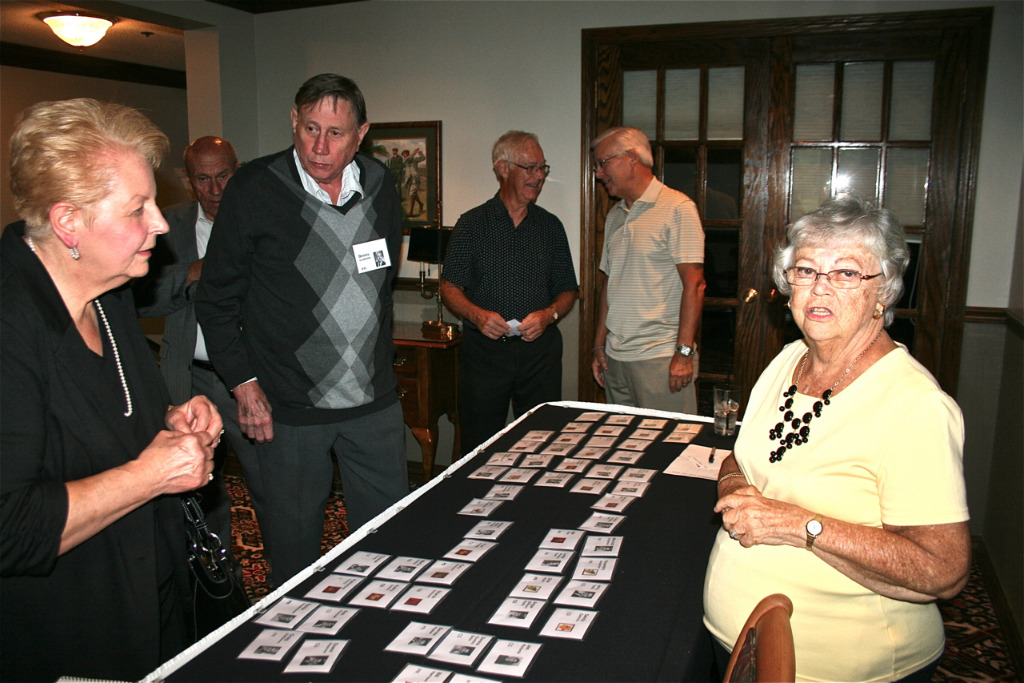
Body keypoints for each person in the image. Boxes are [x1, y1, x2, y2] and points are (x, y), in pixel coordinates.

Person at [703, 193, 970, 682]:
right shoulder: (788, 360)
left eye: (847, 273)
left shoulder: (915, 406)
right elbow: (740, 460)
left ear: (883, 292)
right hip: (740, 645)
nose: (819, 289)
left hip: (840, 666)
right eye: (805, 271)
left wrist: (801, 525)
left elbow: (943, 570)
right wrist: (732, 489)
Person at [1, 98, 222, 681]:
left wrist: (176, 418)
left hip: (153, 596)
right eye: (137, 209)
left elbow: (115, 419)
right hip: (66, 634)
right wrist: (152, 473)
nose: (160, 223)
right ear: (69, 221)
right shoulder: (9, 322)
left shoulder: (112, 290)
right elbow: (10, 527)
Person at [195, 74, 408, 584]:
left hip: (373, 404)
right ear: (294, 120)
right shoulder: (255, 187)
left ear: (361, 134)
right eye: (310, 127)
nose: (319, 146)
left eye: (336, 133)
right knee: (293, 554)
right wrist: (244, 386)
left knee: (390, 543)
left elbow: (380, 285)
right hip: (287, 410)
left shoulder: (381, 185)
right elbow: (216, 298)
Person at [134, 136, 258, 546]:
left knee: (272, 486)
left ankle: (285, 582)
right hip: (189, 379)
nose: (215, 189)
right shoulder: (165, 227)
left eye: (223, 175)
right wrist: (194, 272)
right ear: (189, 181)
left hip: (254, 379)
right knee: (199, 490)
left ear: (237, 171)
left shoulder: (261, 219)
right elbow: (142, 301)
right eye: (203, 179)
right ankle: (213, 586)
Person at [441, 131, 578, 455]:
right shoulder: (472, 224)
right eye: (529, 168)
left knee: (543, 444)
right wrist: (477, 315)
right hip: (484, 355)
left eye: (542, 168)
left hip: (539, 354)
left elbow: (568, 290)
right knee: (479, 445)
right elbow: (449, 287)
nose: (539, 176)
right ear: (503, 168)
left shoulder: (551, 226)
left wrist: (549, 315)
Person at [590, 126, 706, 414]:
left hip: (661, 359)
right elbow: (610, 284)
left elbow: (695, 285)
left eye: (603, 163)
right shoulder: (616, 215)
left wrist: (683, 354)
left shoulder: (678, 208)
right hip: (615, 360)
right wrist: (598, 345)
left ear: (631, 158)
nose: (598, 173)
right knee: (624, 447)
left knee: (670, 448)